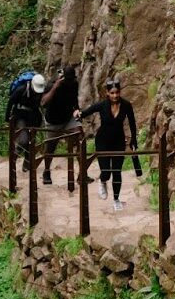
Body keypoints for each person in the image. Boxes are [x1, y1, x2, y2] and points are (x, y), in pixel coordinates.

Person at [74, 77, 137, 211]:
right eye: (112, 93)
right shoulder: (102, 105)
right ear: (107, 93)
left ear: (120, 92)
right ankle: (102, 181)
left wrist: (133, 140)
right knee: (106, 171)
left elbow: (132, 122)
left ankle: (116, 199)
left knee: (117, 171)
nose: (115, 95)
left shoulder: (126, 105)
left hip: (118, 142)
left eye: (117, 92)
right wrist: (79, 113)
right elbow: (87, 111)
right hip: (102, 141)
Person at [40, 64, 81, 185]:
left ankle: (82, 173)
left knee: (79, 138)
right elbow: (43, 102)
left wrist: (77, 109)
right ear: (62, 78)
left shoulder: (74, 84)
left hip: (68, 117)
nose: (70, 81)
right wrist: (55, 87)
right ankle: (46, 172)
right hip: (53, 121)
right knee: (50, 147)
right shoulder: (52, 85)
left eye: (72, 79)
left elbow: (74, 99)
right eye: (67, 79)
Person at [4, 72, 46, 170]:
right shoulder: (21, 90)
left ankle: (26, 166)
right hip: (20, 116)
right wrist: (7, 119)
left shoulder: (41, 91)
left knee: (31, 142)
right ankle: (14, 156)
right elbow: (10, 102)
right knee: (23, 140)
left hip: (34, 117)